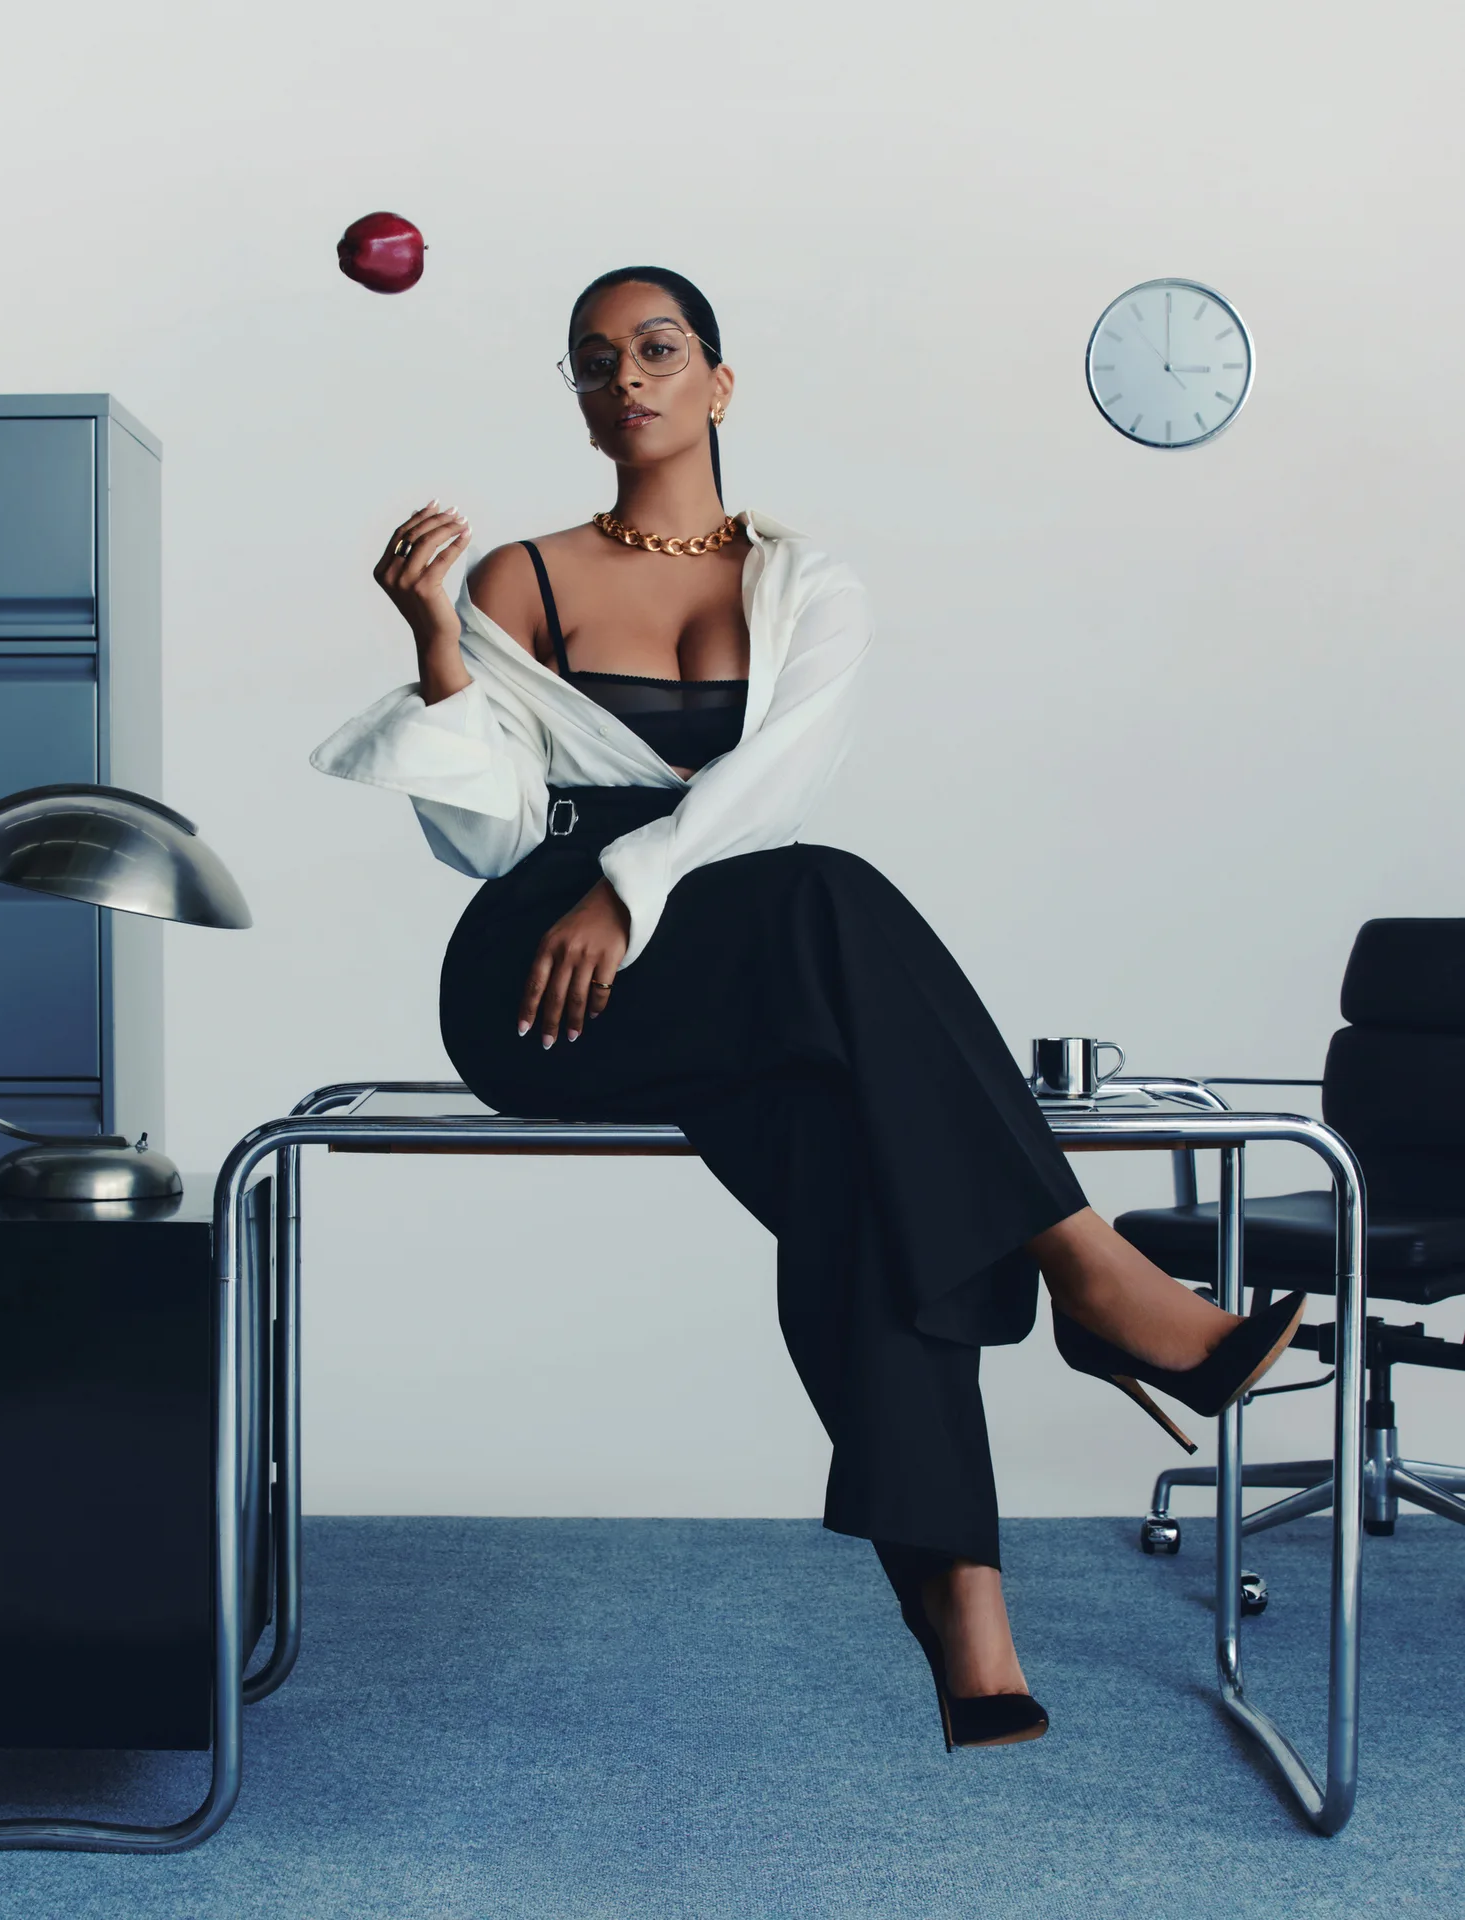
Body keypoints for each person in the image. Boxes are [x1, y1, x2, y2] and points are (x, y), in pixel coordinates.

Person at [311, 265, 1306, 1751]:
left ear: (721, 381)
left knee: (860, 1161)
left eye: (657, 351)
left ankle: (961, 1614)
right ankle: (1094, 1280)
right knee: (824, 897)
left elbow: (772, 787)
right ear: (579, 399)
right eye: (594, 362)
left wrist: (635, 884)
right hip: (540, 981)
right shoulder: (516, 575)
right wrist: (436, 649)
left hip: (730, 956)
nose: (626, 379)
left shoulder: (807, 583)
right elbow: (490, 838)